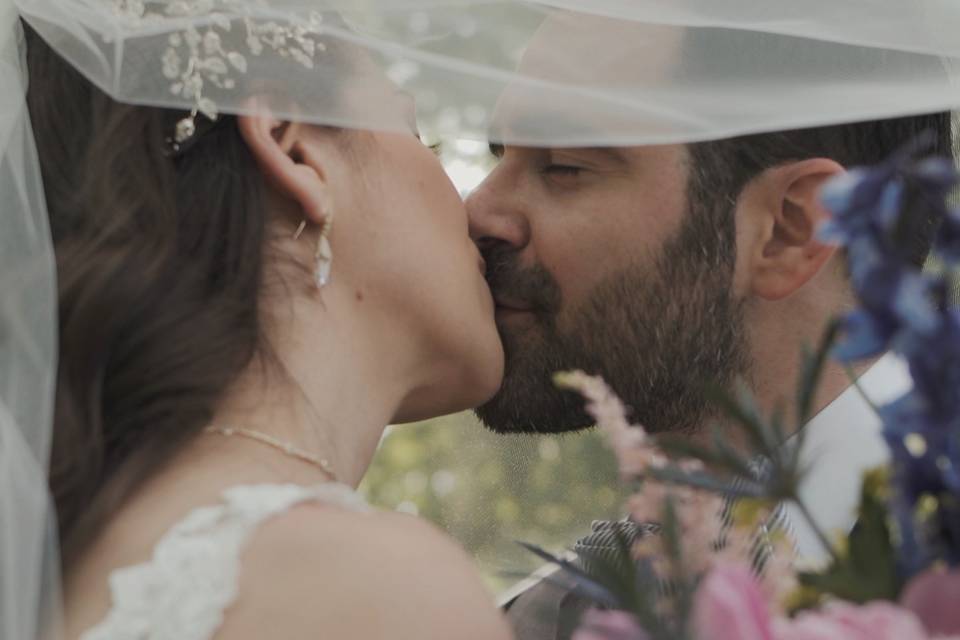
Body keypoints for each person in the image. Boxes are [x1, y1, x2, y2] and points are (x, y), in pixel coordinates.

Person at [20, 15, 513, 640]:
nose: (477, 212)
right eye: (421, 138)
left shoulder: (67, 559)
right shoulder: (364, 588)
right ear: (291, 147)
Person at [466, 11, 954, 640]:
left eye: (563, 164)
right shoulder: (537, 616)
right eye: (500, 155)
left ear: (789, 228)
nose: (477, 211)